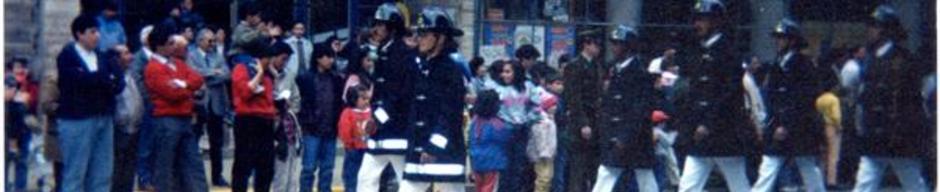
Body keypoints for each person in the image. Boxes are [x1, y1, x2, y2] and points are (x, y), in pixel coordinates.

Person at [675, 0, 755, 191]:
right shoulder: (699, 51)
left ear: (717, 22)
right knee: (688, 185)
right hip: (700, 132)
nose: (697, 24)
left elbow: (729, 94)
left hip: (723, 131)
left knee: (738, 185)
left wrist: (708, 123)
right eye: (697, 19)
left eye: (703, 19)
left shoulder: (729, 52)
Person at [852, 5, 929, 192]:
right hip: (873, 134)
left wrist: (907, 132)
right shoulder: (869, 59)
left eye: (875, 26)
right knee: (864, 183)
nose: (870, 30)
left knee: (913, 182)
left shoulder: (904, 59)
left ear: (886, 30)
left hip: (898, 135)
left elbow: (912, 101)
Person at [751, 18, 827, 192]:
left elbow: (804, 99)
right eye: (777, 37)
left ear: (792, 41)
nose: (778, 41)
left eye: (782, 37)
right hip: (779, 123)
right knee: (770, 167)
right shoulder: (778, 63)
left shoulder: (803, 65)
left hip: (799, 127)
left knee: (807, 168)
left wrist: (786, 124)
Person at [398, 7, 468, 192]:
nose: (418, 38)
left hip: (444, 155)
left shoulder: (450, 71)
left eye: (424, 33)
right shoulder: (421, 67)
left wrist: (434, 147)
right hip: (417, 152)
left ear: (441, 38)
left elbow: (451, 115)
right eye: (418, 33)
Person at [56, 14, 125, 192]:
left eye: (98, 31)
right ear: (80, 34)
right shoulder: (67, 57)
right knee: (76, 173)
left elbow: (117, 83)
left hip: (103, 117)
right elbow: (77, 82)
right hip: (78, 120)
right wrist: (102, 79)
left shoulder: (103, 57)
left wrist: (100, 80)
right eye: (92, 32)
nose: (97, 36)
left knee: (102, 172)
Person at [357, 3, 418, 192]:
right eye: (376, 24)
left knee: (408, 183)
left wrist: (376, 119)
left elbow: (397, 96)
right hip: (380, 132)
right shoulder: (383, 53)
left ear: (393, 28)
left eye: (382, 25)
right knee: (365, 179)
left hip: (397, 130)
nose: (377, 29)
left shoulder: (401, 55)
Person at [591, 25, 660, 192]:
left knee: (645, 179)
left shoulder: (640, 72)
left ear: (629, 47)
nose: (614, 47)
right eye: (613, 43)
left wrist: (624, 136)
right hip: (616, 134)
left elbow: (640, 109)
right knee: (605, 174)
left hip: (635, 137)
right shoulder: (614, 69)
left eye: (618, 44)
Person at [144, 24, 207, 191]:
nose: (175, 47)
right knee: (165, 167)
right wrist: (187, 87)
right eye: (171, 43)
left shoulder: (178, 64)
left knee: (193, 164)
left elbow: (198, 79)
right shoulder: (153, 68)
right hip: (166, 119)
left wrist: (182, 85)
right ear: (160, 46)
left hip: (183, 117)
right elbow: (171, 94)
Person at [230, 39, 290, 192]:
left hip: (265, 121)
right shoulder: (241, 69)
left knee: (266, 166)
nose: (269, 61)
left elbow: (269, 98)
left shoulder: (269, 76)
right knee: (243, 165)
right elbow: (245, 92)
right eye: (267, 58)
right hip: (247, 120)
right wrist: (259, 74)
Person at [295, 43, 344, 192]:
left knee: (327, 168)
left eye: (331, 57)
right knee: (309, 168)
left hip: (330, 128)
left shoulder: (336, 79)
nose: (330, 60)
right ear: (318, 58)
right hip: (312, 129)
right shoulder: (305, 78)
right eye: (327, 57)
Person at [186, 28, 231, 187]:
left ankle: (217, 176)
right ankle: (192, 177)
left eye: (213, 40)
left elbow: (226, 74)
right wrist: (213, 72)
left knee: (216, 143)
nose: (213, 43)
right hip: (199, 104)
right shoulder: (191, 55)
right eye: (209, 40)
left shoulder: (217, 56)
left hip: (216, 104)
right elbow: (194, 74)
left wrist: (207, 77)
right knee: (193, 141)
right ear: (200, 41)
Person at [485, 60, 539, 192]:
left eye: (508, 71)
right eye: (503, 72)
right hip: (504, 130)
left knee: (518, 168)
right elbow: (488, 108)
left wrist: (528, 119)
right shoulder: (496, 87)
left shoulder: (528, 86)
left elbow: (536, 106)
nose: (504, 75)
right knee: (504, 168)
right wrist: (499, 123)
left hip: (522, 130)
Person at [562, 30, 605, 192]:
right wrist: (583, 123)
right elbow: (574, 97)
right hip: (581, 121)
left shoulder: (596, 65)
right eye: (595, 44)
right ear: (586, 44)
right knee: (578, 167)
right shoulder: (574, 66)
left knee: (594, 166)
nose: (598, 48)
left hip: (596, 119)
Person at [109, 44, 144, 192]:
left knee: (130, 169)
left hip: (134, 128)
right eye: (126, 53)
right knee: (117, 169)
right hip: (119, 129)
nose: (130, 56)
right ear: (117, 59)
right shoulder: (112, 78)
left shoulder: (131, 75)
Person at [270, 41, 302, 192]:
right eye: (283, 58)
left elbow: (296, 99)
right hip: (271, 131)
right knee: (278, 177)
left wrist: (289, 109)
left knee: (292, 176)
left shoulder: (289, 75)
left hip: (289, 129)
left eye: (287, 59)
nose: (285, 62)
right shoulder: (264, 74)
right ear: (273, 57)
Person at [468, 90, 512, 192]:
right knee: (490, 187)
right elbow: (506, 138)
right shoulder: (498, 124)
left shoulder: (475, 120)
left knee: (479, 187)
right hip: (493, 162)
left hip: (476, 160)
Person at [338, 84, 377, 192]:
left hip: (368, 150)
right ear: (354, 99)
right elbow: (345, 132)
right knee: (352, 178)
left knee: (367, 179)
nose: (366, 101)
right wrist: (350, 144)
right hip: (353, 151)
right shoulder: (348, 113)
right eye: (363, 98)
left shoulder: (370, 112)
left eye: (368, 99)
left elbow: (374, 129)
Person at [529, 94, 559, 192]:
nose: (555, 107)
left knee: (548, 178)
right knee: (543, 178)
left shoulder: (551, 119)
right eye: (552, 105)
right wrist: (544, 153)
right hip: (542, 155)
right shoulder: (541, 121)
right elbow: (540, 139)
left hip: (549, 154)